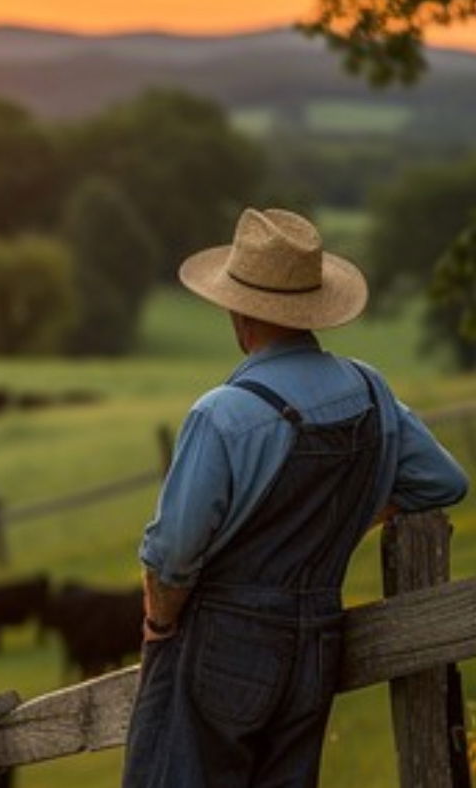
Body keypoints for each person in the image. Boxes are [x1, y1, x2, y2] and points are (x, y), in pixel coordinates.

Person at [122, 208, 468, 787]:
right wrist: (358, 514)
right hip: (317, 646)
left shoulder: (223, 413)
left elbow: (173, 555)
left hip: (222, 649)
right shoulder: (369, 390)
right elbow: (443, 482)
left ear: (239, 311)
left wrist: (159, 624)